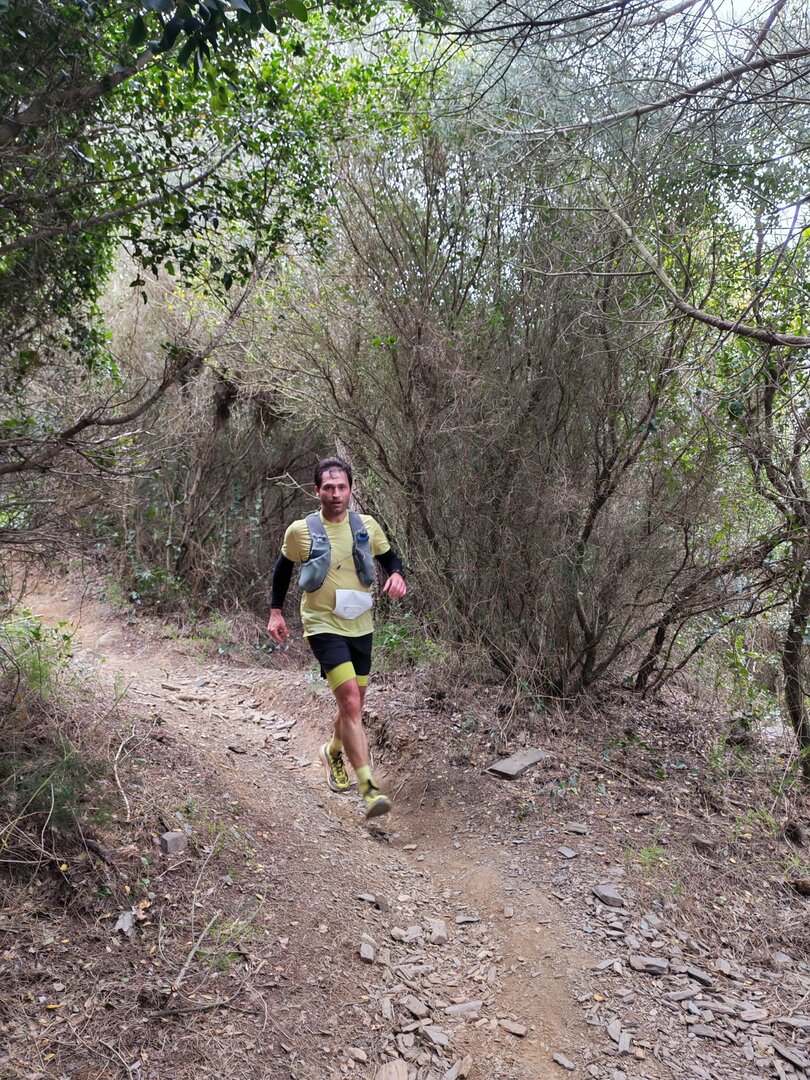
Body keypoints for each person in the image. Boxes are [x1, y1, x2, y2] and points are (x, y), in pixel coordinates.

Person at [267, 458, 407, 818]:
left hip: (361, 624)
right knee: (350, 701)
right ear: (316, 491)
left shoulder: (367, 526)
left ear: (350, 490)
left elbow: (391, 559)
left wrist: (397, 576)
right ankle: (369, 788)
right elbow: (283, 569)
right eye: (328, 488)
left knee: (353, 706)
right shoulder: (301, 531)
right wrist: (276, 612)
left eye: (341, 487)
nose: (335, 494)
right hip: (322, 624)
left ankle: (332, 752)